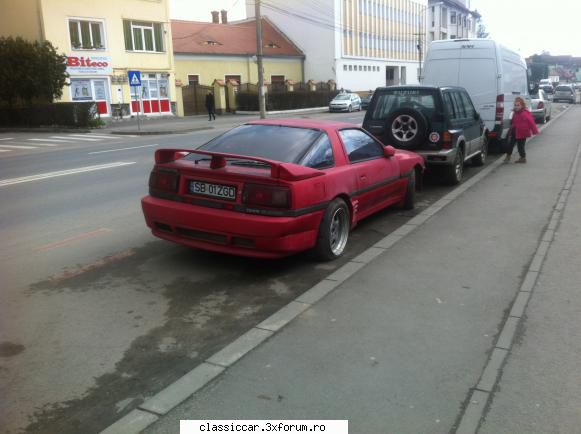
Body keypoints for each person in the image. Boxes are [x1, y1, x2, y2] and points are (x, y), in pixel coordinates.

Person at [504, 96, 538, 164]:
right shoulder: (515, 112)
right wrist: (511, 127)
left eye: (518, 105)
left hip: (522, 132)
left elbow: (531, 122)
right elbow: (513, 121)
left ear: (522, 105)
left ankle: (523, 158)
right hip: (515, 131)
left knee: (520, 146)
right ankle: (508, 156)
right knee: (510, 144)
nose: (516, 107)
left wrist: (534, 131)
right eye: (515, 105)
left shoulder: (525, 113)